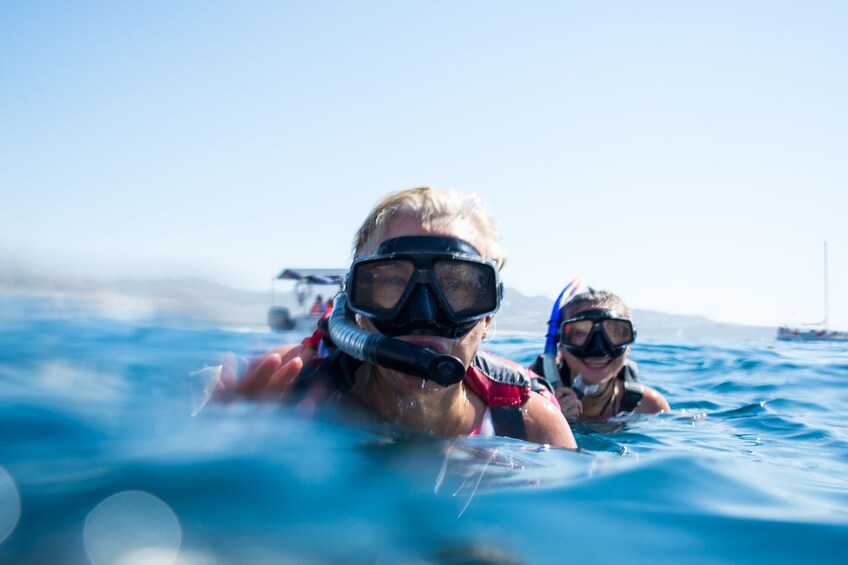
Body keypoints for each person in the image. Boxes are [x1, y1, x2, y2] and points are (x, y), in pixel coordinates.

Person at [219, 187, 576, 448]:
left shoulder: (529, 424)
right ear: (354, 309)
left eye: (457, 285)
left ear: (486, 317)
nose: (423, 315)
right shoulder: (294, 393)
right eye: (391, 282)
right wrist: (229, 443)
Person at [529, 288, 670, 422]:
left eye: (613, 333)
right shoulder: (533, 402)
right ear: (561, 346)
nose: (598, 348)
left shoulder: (650, 407)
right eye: (580, 333)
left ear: (628, 347)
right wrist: (550, 419)